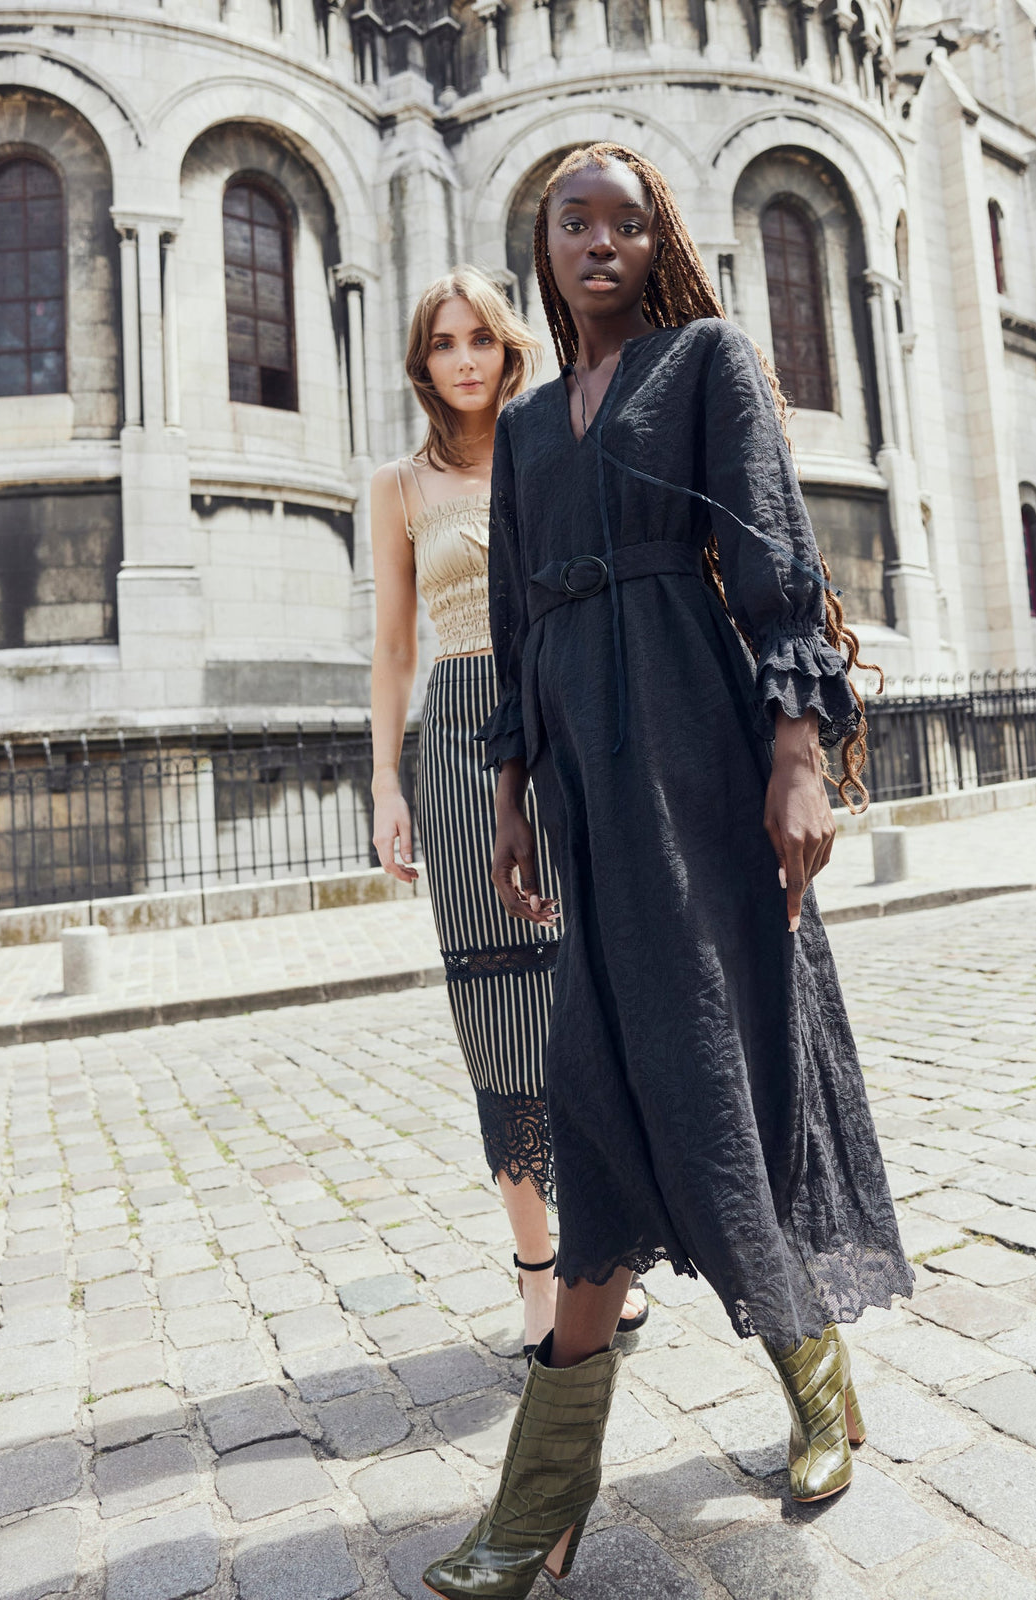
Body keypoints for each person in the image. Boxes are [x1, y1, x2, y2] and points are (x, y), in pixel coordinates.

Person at [423, 150, 911, 1600]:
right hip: (580, 778)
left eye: (627, 221)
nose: (600, 241)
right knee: (604, 1072)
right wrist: (509, 790)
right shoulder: (517, 434)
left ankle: (580, 1485)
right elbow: (512, 622)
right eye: (574, 221)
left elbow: (772, 561)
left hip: (697, 752)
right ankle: (583, 1474)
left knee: (721, 1063)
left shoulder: (706, 362)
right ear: (543, 245)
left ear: (658, 244)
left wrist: (799, 754)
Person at [368, 267, 648, 1360]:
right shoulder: (395, 486)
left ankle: (599, 1253)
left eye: (480, 336)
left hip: (567, 723)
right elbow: (394, 650)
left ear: (507, 345)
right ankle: (537, 1268)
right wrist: (387, 780)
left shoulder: (552, 445)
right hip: (456, 735)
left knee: (588, 989)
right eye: (444, 342)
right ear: (422, 361)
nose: (466, 358)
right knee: (496, 1014)